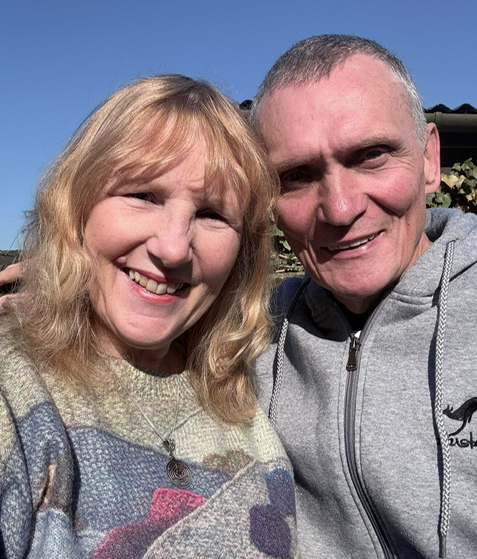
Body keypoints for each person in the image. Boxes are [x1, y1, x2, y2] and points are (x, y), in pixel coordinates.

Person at [0, 75, 300, 558]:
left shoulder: (244, 390)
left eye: (212, 214)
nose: (173, 247)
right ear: (76, 208)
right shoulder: (16, 386)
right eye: (143, 195)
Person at [251, 35, 477, 559]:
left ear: (430, 159)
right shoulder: (250, 336)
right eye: (297, 176)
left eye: (371, 156)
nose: (340, 208)